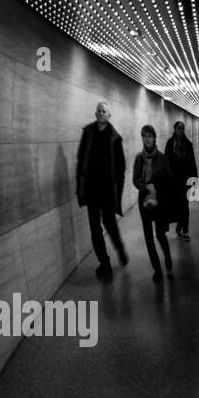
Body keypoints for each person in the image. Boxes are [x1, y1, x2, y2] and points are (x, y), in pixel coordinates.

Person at [76, 102, 129, 278]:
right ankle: (104, 262)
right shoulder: (88, 133)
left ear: (109, 115)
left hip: (106, 190)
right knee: (95, 228)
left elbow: (121, 167)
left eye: (104, 111)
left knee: (109, 223)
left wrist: (117, 190)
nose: (100, 113)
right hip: (91, 189)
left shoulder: (115, 138)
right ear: (95, 113)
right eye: (98, 110)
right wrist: (80, 186)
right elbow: (80, 159)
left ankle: (120, 250)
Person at [133, 124, 174, 282]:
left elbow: (169, 178)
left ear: (154, 138)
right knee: (148, 237)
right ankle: (157, 269)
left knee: (159, 234)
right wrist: (146, 187)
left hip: (159, 202)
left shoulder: (162, 158)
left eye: (150, 135)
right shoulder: (139, 158)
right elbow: (135, 179)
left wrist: (157, 188)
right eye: (144, 136)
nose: (147, 139)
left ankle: (167, 256)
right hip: (143, 202)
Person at [164, 120, 198, 242]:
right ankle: (179, 224)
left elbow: (192, 163)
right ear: (174, 129)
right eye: (179, 128)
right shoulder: (169, 143)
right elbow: (166, 162)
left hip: (185, 179)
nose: (181, 131)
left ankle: (186, 231)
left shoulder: (188, 145)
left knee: (185, 205)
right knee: (177, 204)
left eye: (182, 128)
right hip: (173, 180)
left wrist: (195, 181)